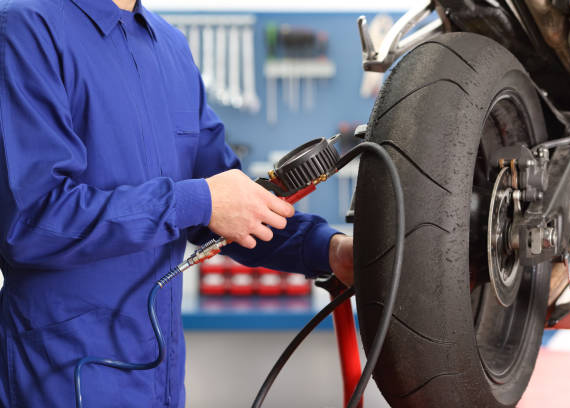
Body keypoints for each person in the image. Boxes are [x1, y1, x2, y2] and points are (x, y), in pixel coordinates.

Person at [0, 0, 354, 406]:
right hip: (61, 378)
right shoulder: (26, 27)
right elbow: (30, 220)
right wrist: (195, 201)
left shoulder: (169, 46)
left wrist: (330, 250)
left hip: (160, 381)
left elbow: (232, 207)